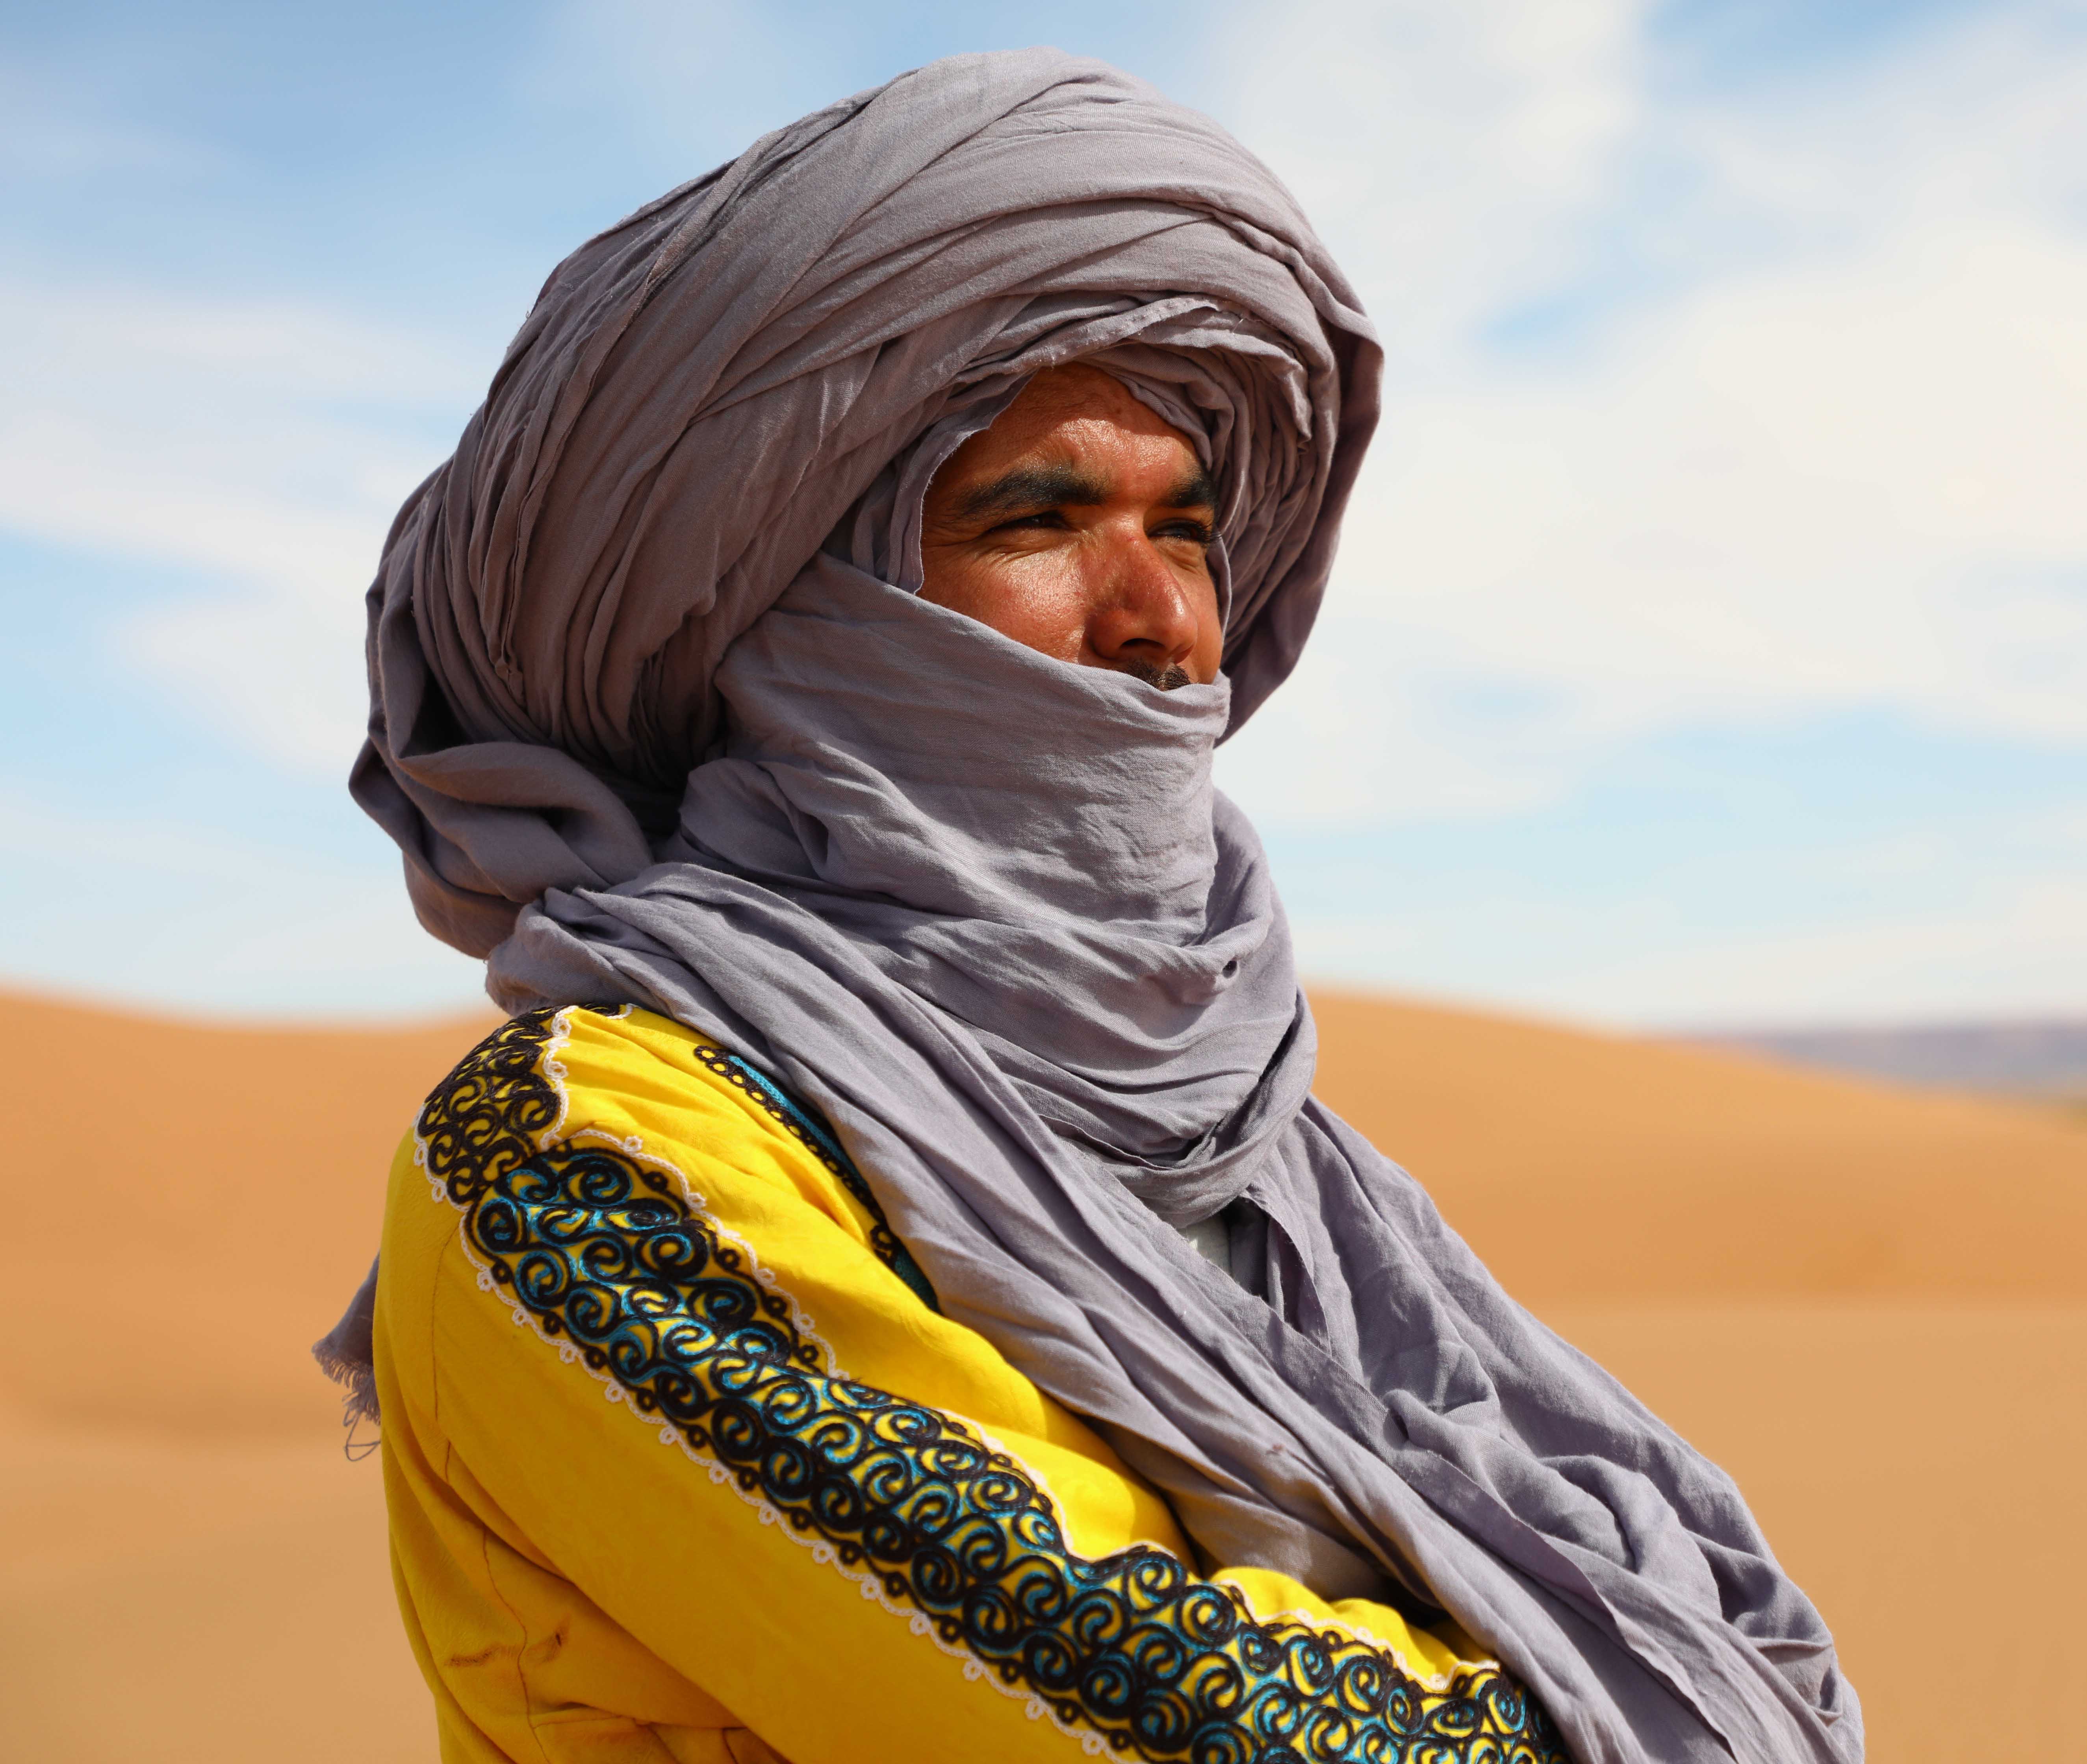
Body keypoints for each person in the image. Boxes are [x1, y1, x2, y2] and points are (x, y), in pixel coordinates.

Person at [316, 49, 1862, 1764]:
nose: (1161, 621)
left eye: (1188, 528)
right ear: (790, 604)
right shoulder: (580, 1160)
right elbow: (1205, 1721)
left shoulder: (1249, 1142)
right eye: (1036, 516)